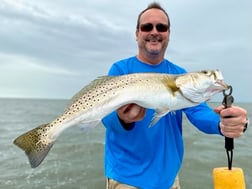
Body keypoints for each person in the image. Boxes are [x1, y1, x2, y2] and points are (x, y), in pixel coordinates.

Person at [102, 2, 248, 189]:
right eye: (147, 27)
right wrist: (123, 119)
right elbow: (105, 117)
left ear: (168, 34)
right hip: (127, 179)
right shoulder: (120, 70)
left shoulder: (180, 74)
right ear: (137, 33)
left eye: (161, 27)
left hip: (170, 180)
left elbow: (199, 113)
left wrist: (223, 123)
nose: (154, 31)